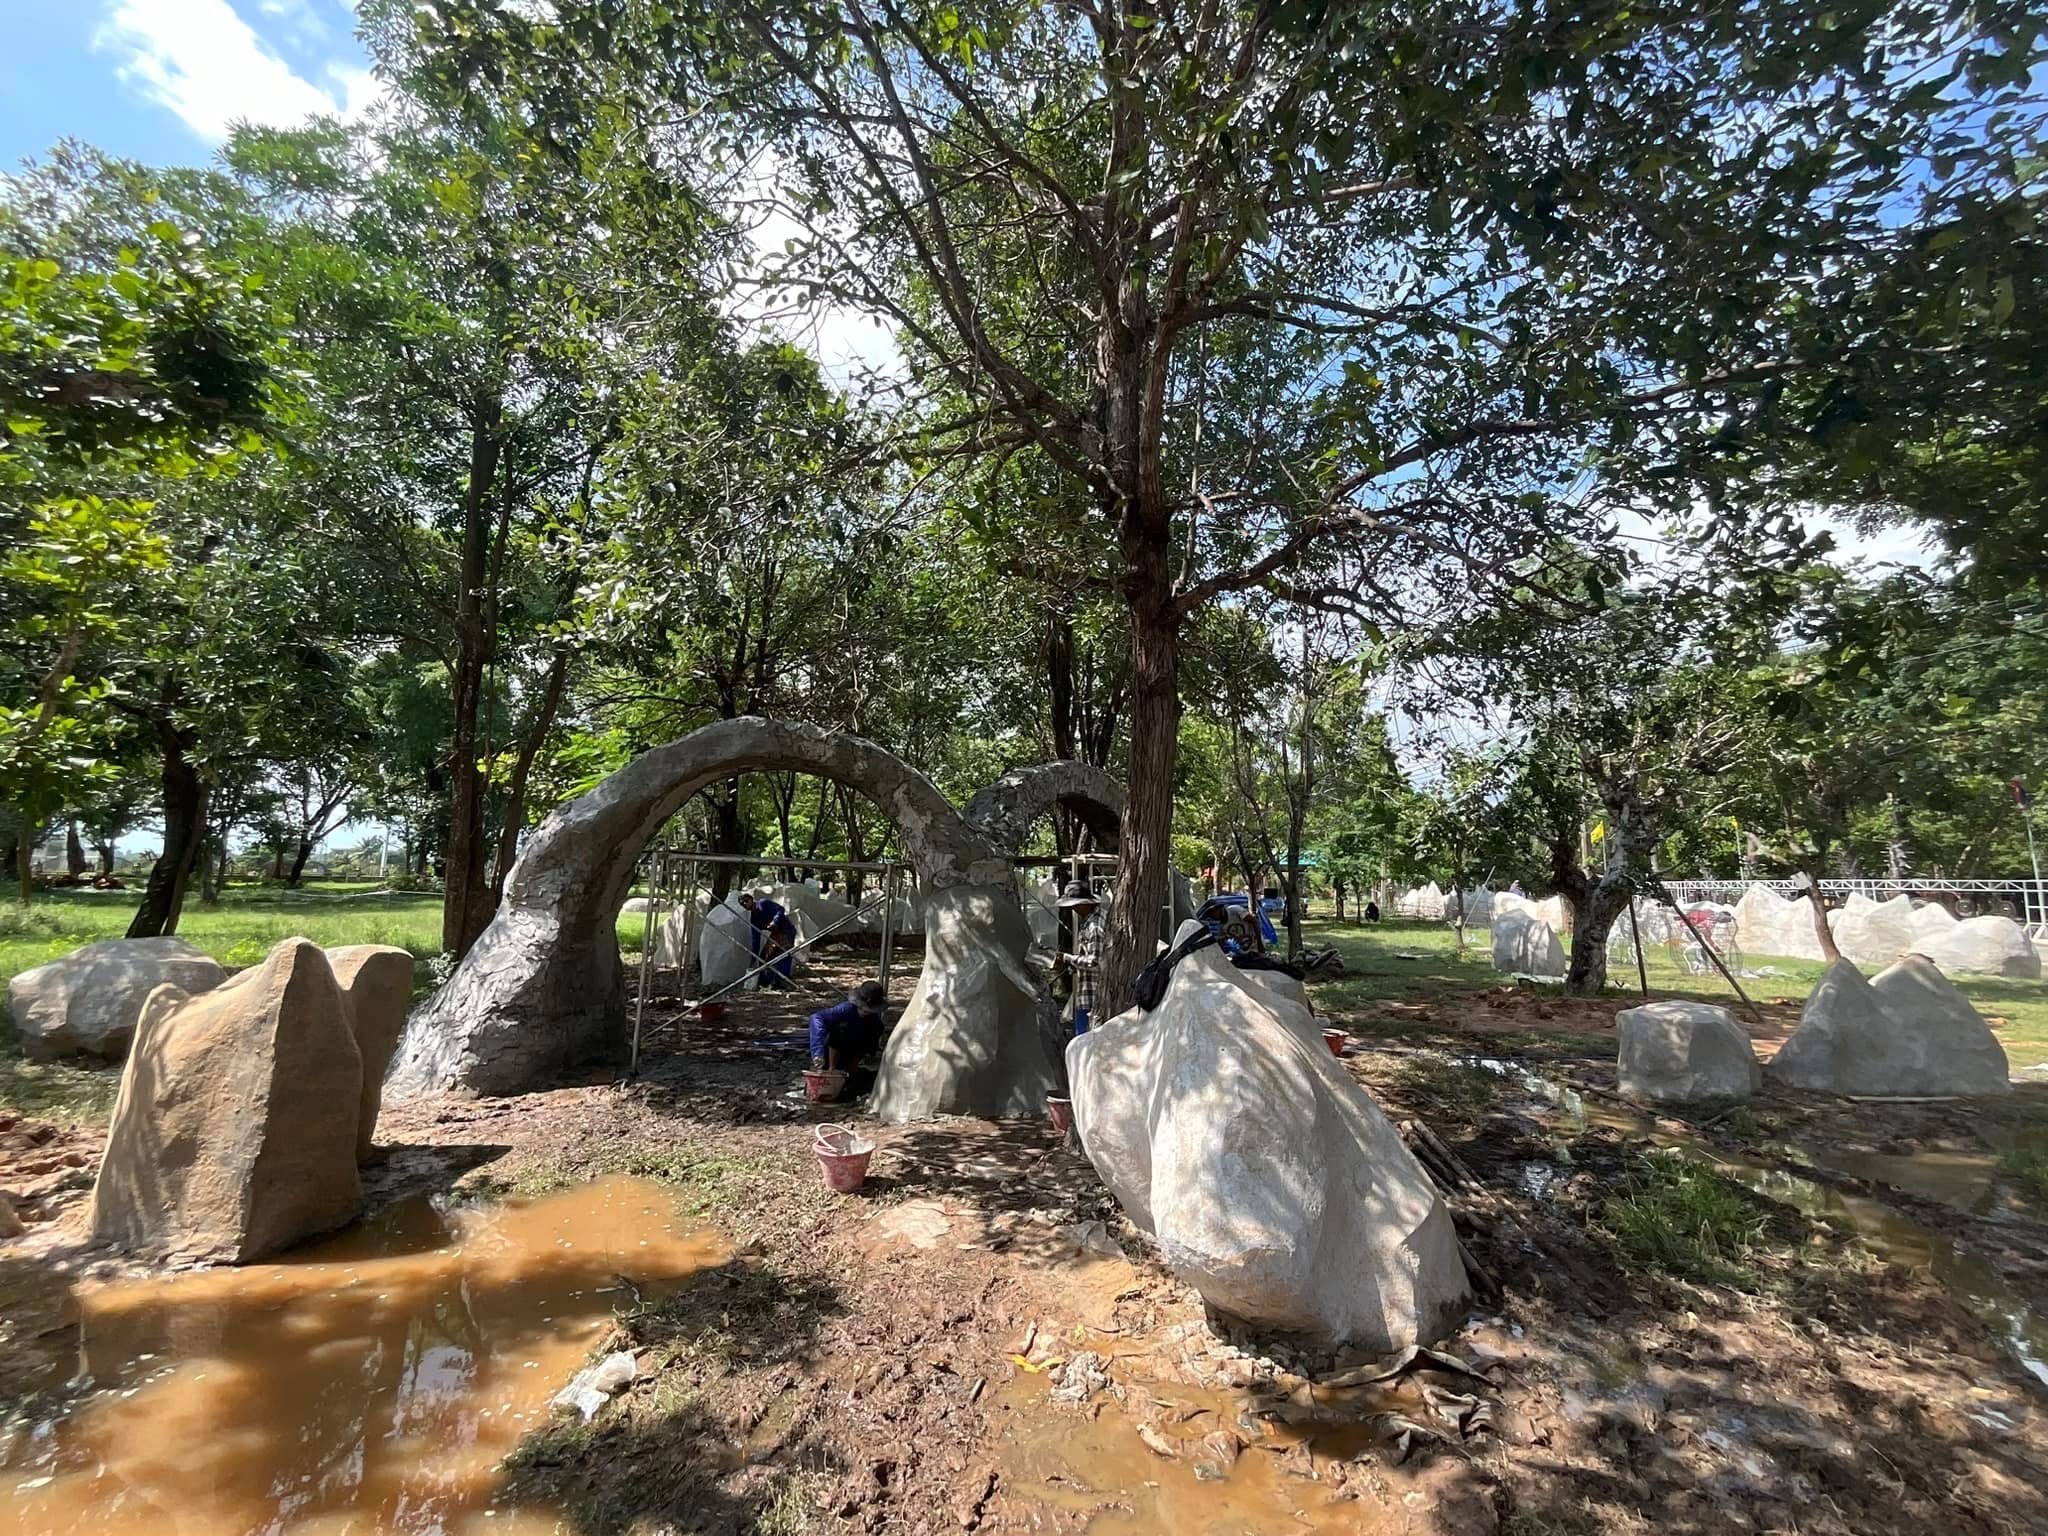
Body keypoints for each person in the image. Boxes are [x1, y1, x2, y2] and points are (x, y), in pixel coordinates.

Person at [808, 980, 890, 1098]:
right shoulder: (844, 1011)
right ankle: (831, 1069)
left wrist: (851, 1069)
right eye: (862, 1008)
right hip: (830, 1052)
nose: (865, 1012)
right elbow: (817, 1019)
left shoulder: (876, 1025)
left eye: (868, 1010)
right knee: (840, 1030)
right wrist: (818, 1053)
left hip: (852, 1054)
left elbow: (866, 1048)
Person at [1056, 880, 1104, 1035]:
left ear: (1086, 903)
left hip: (1093, 995)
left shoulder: (1095, 927)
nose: (1074, 909)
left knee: (1085, 1041)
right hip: (1087, 992)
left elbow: (1094, 962)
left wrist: (1068, 958)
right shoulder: (1091, 921)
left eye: (1076, 905)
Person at [738, 891, 798, 988]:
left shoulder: (763, 903)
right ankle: (766, 981)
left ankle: (783, 980)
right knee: (765, 957)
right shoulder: (754, 919)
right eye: (742, 904)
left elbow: (781, 909)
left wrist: (775, 921)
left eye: (746, 901)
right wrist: (754, 957)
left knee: (784, 954)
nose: (745, 904)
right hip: (776, 934)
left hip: (787, 930)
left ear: (751, 899)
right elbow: (755, 939)